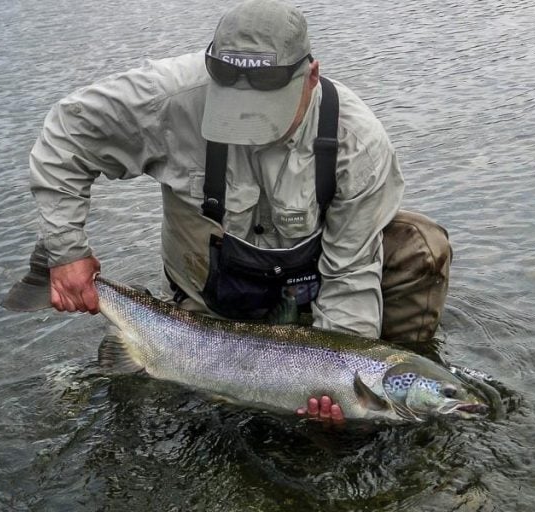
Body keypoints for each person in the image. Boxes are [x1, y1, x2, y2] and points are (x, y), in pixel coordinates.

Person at [28, 0, 451, 422]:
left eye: (267, 114)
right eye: (235, 114)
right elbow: (67, 135)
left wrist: (339, 390)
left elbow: (349, 275)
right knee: (201, 413)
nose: (250, 131)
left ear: (311, 77)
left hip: (314, 281)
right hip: (208, 296)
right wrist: (67, 253)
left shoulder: (357, 143)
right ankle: (167, 342)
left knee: (420, 243)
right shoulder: (168, 98)